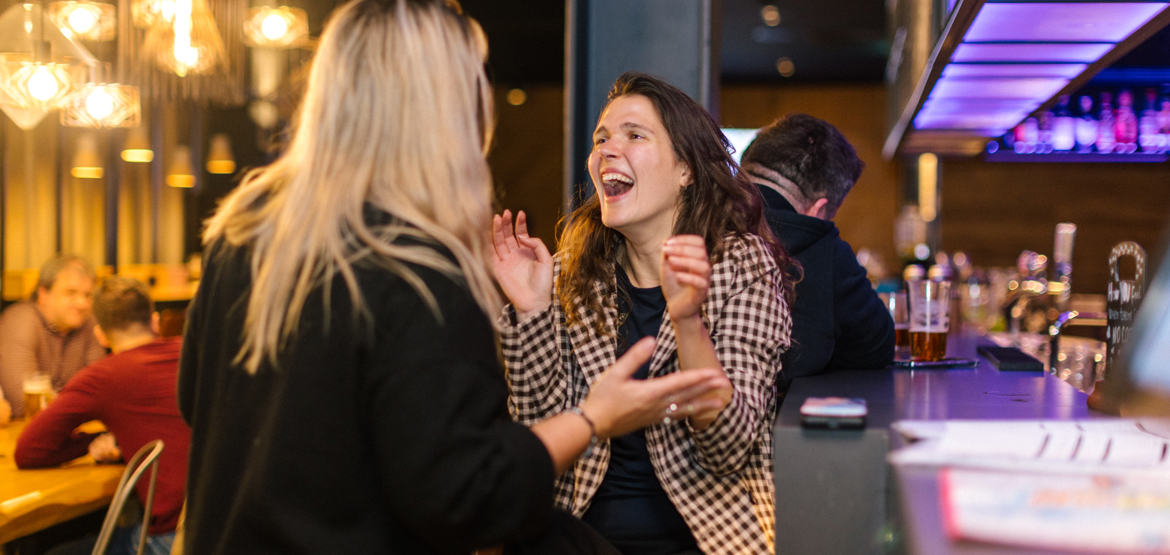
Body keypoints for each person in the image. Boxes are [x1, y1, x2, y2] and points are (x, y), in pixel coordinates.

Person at [176, 2, 726, 553]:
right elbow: (470, 497)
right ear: (445, 107)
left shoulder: (244, 232)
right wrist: (593, 418)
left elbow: (195, 401)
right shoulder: (415, 267)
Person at [493, 71, 793, 554]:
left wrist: (687, 318)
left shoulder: (739, 264)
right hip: (579, 536)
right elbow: (539, 436)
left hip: (703, 539)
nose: (608, 150)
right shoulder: (573, 271)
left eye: (634, 136)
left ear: (685, 170)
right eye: (602, 139)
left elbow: (730, 448)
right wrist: (532, 311)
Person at [15, 277, 189, 555]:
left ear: (101, 335)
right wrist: (120, 442)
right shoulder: (191, 352)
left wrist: (93, 441)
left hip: (172, 539)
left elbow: (29, 450)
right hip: (220, 527)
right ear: (155, 321)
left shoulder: (103, 376)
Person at [740, 113, 894, 386]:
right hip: (777, 425)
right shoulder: (823, 246)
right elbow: (876, 346)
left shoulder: (694, 217)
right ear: (819, 209)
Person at [0, 254, 107, 418]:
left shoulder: (87, 322)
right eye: (71, 293)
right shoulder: (21, 321)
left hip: (69, 429)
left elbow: (102, 390)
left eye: (87, 295)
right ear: (43, 293)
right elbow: (22, 402)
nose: (82, 303)